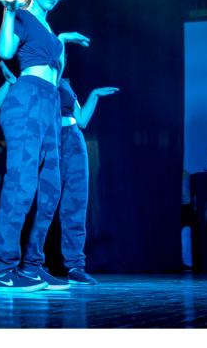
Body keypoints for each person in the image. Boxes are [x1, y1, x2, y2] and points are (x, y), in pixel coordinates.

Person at [0, 0, 87, 292]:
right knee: (22, 184)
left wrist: (62, 42)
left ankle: (32, 265)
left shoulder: (50, 31)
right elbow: (5, 50)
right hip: (26, 100)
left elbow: (57, 75)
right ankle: (5, 269)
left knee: (51, 189)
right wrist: (8, 12)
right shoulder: (22, 15)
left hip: (49, 105)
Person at [53, 73, 118, 285]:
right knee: (44, 205)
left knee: (75, 205)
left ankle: (75, 267)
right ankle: (32, 263)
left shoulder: (65, 84)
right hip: (49, 140)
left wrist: (94, 95)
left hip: (73, 141)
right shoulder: (38, 80)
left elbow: (82, 120)